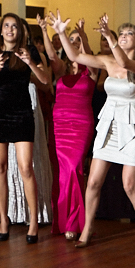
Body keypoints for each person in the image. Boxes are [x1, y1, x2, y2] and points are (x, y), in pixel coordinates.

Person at [50, 11, 135, 252]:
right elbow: (74, 55)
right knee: (94, 182)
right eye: (123, 32)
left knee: (129, 185)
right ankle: (86, 229)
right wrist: (61, 33)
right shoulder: (107, 61)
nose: (126, 35)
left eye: (131, 34)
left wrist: (110, 37)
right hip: (109, 123)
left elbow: (126, 63)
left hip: (132, 126)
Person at [0, 13, 50, 243]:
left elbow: (45, 80)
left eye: (14, 26)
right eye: (6, 26)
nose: (10, 29)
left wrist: (30, 61)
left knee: (25, 168)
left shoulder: (29, 49)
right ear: (0, 30)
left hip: (21, 113)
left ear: (20, 30)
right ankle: (3, 219)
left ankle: (33, 222)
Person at [42, 18, 97, 240]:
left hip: (81, 123)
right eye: (69, 39)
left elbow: (88, 51)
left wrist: (82, 34)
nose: (72, 42)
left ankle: (76, 221)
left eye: (76, 40)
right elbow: (52, 56)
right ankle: (65, 221)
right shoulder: (62, 68)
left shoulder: (91, 70)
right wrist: (43, 30)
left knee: (75, 168)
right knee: (62, 172)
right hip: (59, 124)